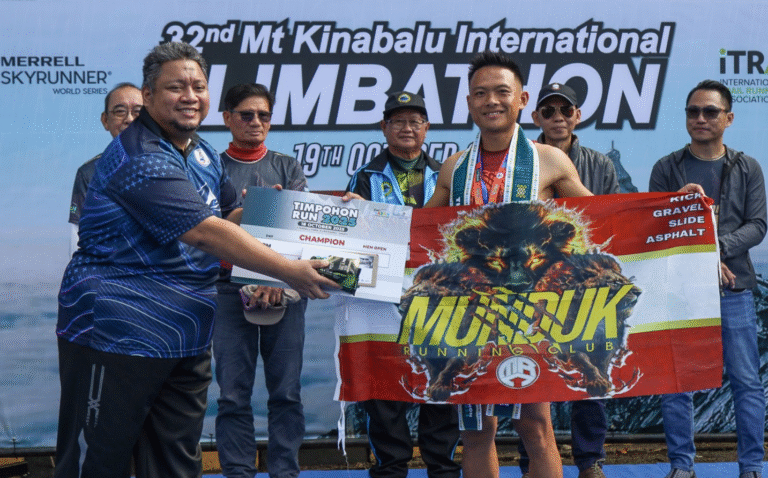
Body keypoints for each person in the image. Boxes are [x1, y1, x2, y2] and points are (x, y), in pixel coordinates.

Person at [54, 42, 337, 478]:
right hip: (118, 333)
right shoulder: (139, 156)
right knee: (97, 464)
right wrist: (288, 272)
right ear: (148, 95)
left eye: (198, 86)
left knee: (176, 465)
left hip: (186, 334)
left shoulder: (202, 153)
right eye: (176, 87)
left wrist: (300, 212)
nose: (190, 96)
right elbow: (205, 232)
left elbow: (227, 217)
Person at [424, 51, 593, 478]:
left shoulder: (549, 160)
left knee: (535, 427)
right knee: (476, 431)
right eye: (480, 93)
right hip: (469, 315)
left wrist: (674, 207)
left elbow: (603, 219)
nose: (491, 101)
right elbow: (417, 231)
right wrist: (360, 215)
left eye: (502, 91)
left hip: (531, 313)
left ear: (522, 99)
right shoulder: (455, 168)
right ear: (469, 102)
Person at [650, 80, 766, 478]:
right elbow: (657, 227)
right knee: (677, 382)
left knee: (746, 381)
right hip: (681, 292)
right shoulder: (666, 168)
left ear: (728, 118)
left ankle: (751, 466)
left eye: (710, 111)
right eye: (693, 111)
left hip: (733, 289)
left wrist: (714, 250)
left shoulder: (748, 167)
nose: (700, 118)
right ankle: (682, 466)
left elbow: (758, 225)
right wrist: (699, 254)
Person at [344, 91, 461, 478]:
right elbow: (353, 235)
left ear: (427, 128)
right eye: (398, 121)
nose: (407, 128)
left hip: (438, 293)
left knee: (440, 375)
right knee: (385, 381)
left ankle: (442, 468)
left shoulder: (448, 174)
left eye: (415, 121)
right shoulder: (365, 177)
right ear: (384, 127)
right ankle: (390, 469)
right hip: (382, 293)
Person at [515, 82, 621, 478]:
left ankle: (589, 460)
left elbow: (615, 216)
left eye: (565, 110)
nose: (558, 117)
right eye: (549, 111)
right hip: (532, 284)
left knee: (589, 369)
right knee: (531, 371)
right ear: (535, 116)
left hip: (582, 283)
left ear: (577, 115)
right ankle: (531, 460)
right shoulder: (521, 162)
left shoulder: (601, 164)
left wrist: (679, 202)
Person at [213, 83, 311, 478]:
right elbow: (206, 230)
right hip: (227, 289)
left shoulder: (288, 167)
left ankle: (284, 472)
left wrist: (277, 278)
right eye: (246, 114)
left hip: (284, 289)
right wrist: (244, 214)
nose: (256, 122)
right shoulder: (211, 166)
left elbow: (302, 230)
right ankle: (238, 472)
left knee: (286, 393)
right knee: (232, 395)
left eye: (264, 115)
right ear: (227, 118)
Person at [68, 82, 142, 253]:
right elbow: (77, 234)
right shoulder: (89, 173)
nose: (129, 119)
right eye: (120, 111)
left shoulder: (170, 165)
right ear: (105, 120)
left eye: (138, 112)